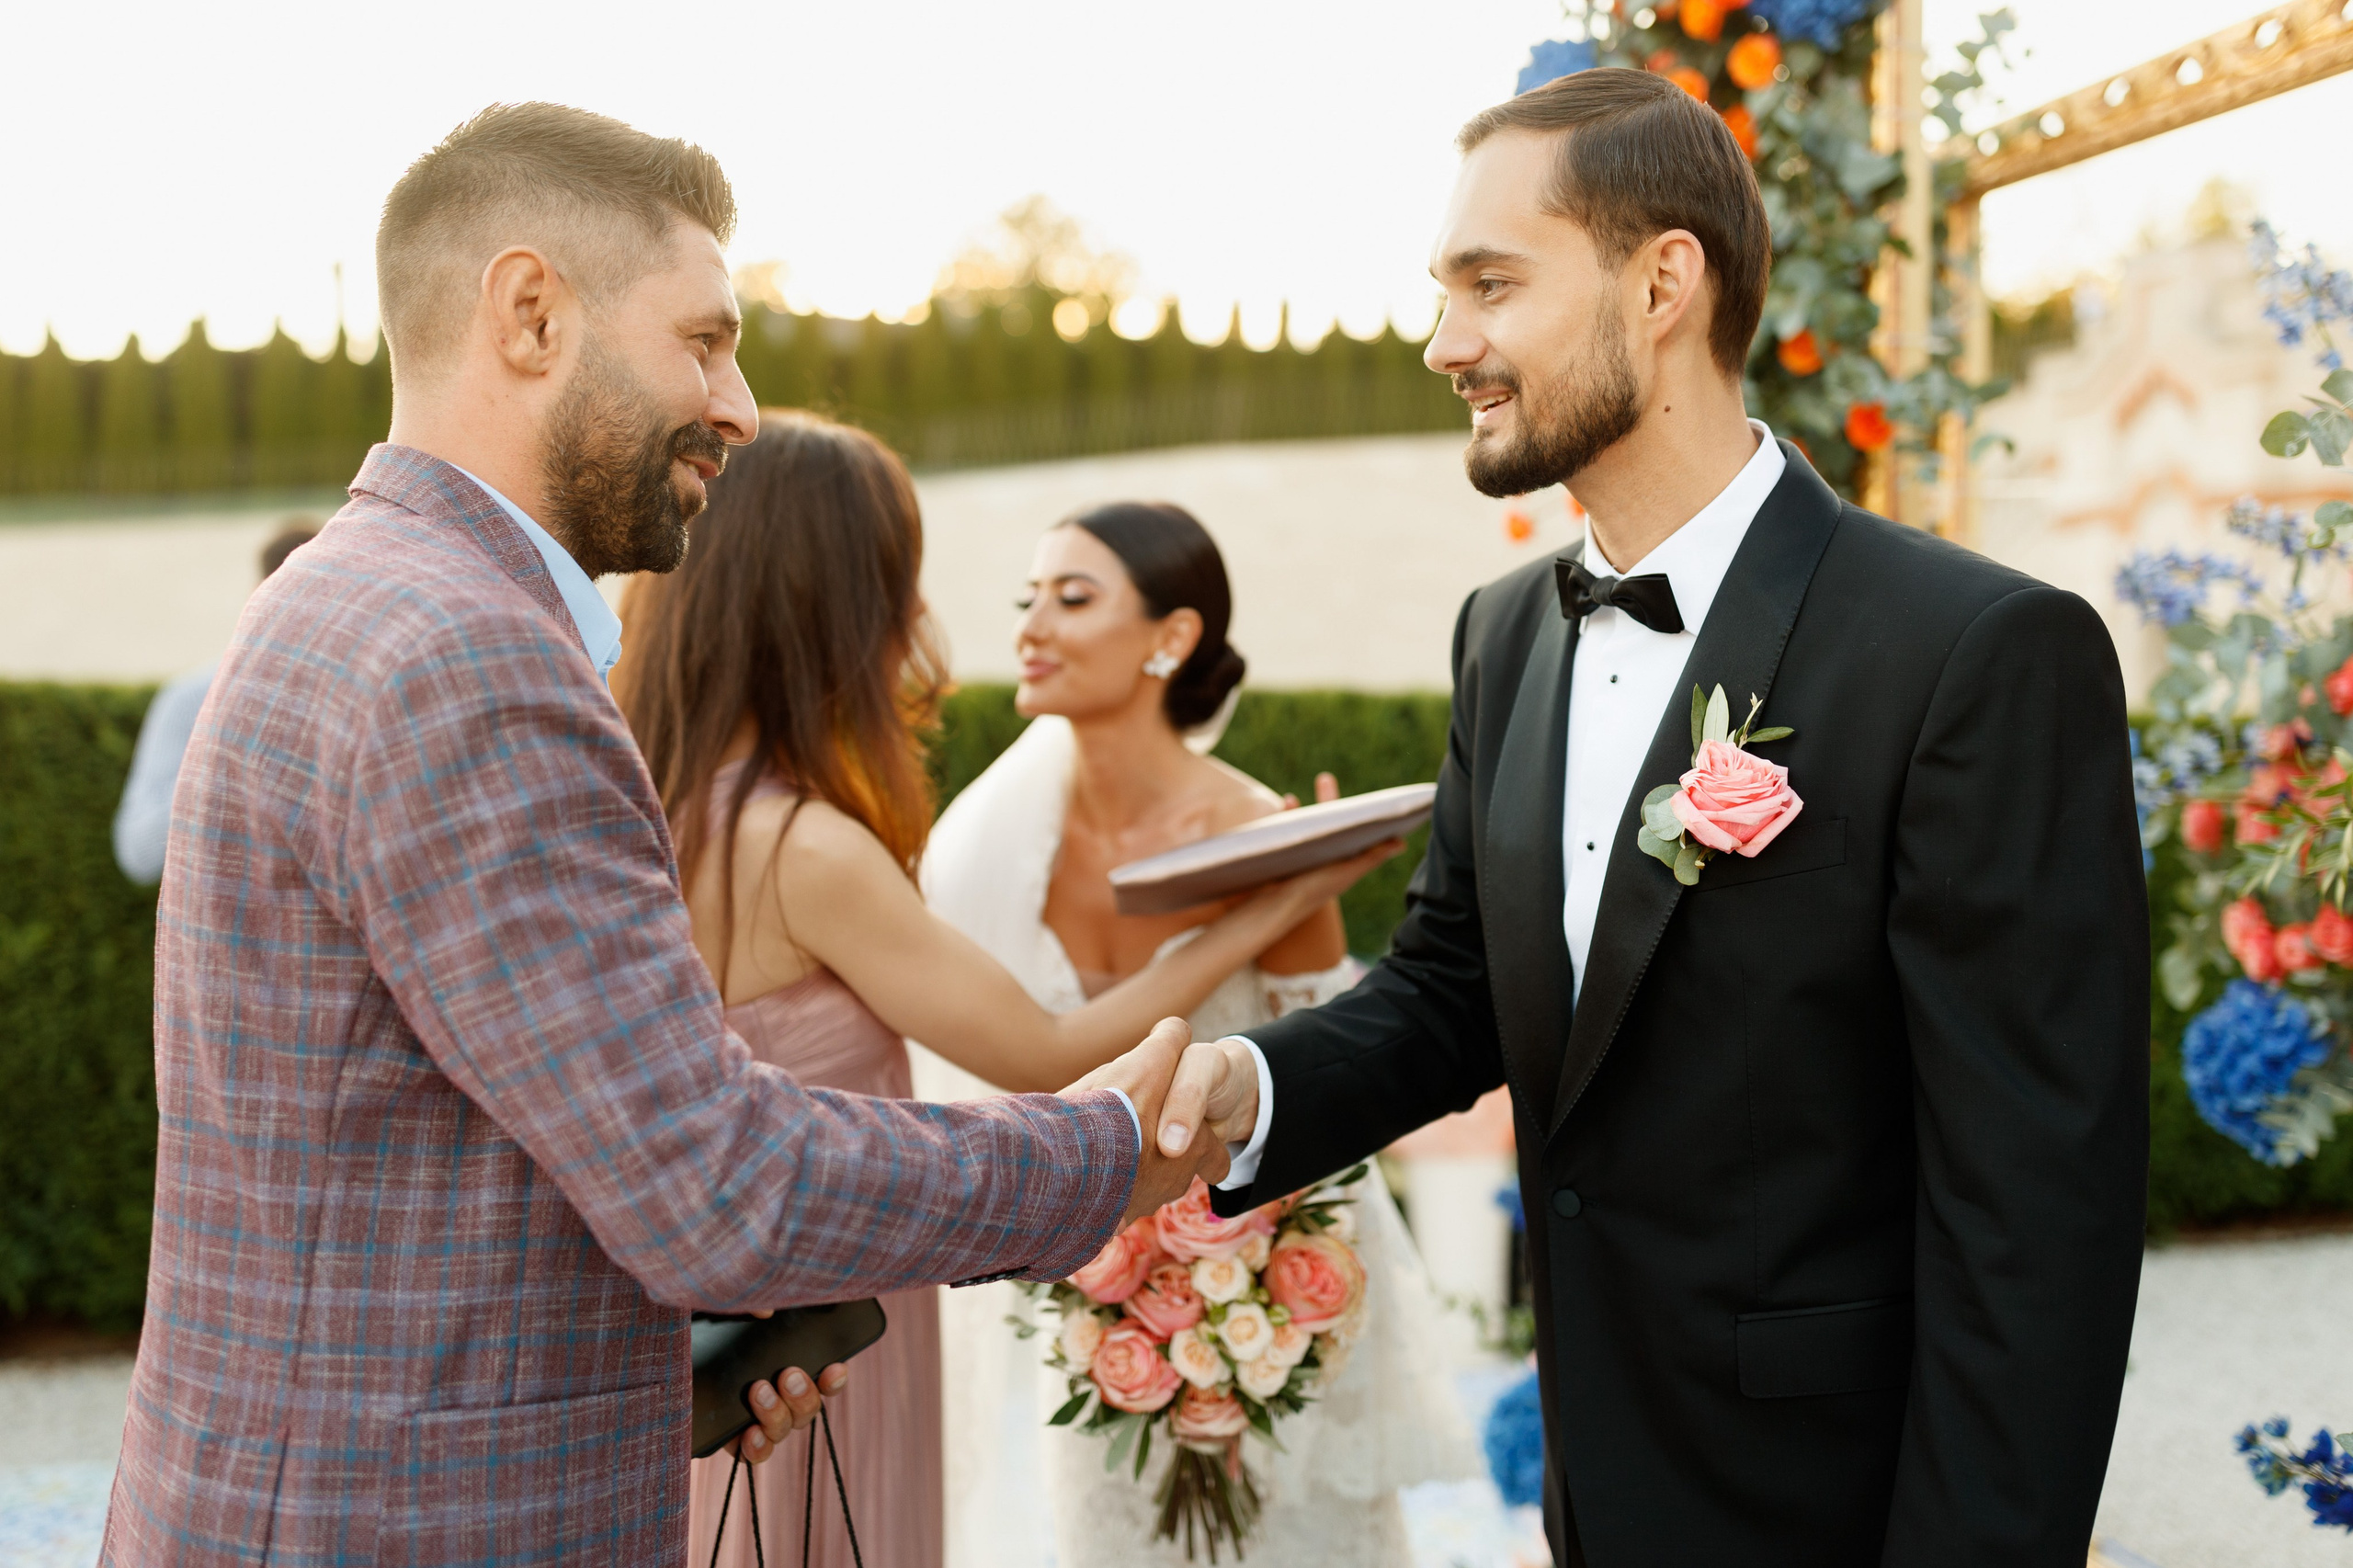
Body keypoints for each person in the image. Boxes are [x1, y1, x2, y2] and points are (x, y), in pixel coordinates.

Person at [105, 104, 1236, 1568]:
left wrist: (680, 1359)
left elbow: (429, 1155)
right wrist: (1101, 1155)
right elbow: (722, 1184)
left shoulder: (337, 594)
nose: (742, 404)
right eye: (704, 341)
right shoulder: (470, 659)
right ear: (532, 316)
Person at [1182, 69, 2150, 1566]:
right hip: (1599, 1497)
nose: (1449, 345)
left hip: (1840, 1510)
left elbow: (2036, 1227)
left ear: (1662, 283)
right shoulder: (1504, 636)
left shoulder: (1974, 655)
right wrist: (1230, 1092)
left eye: (1491, 286)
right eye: (1444, 294)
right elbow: (1453, 993)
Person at [611, 416, 1383, 1568]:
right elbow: (1046, 1049)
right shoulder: (803, 847)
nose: (916, 624)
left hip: (722, 1332)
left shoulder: (645, 810)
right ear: (828, 602)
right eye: (894, 583)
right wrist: (1273, 901)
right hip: (826, 1334)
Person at [916, 501, 1478, 1568]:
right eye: (1026, 597)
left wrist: (1261, 1313)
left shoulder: (1265, 834)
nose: (1032, 623)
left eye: (1072, 598)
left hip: (1263, 1302)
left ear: (1170, 638)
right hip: (1083, 1308)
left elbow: (1326, 1090)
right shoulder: (985, 845)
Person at [110, 520, 315, 882]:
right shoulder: (191, 698)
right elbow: (138, 853)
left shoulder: (369, 696)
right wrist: (223, 754)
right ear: (260, 596)